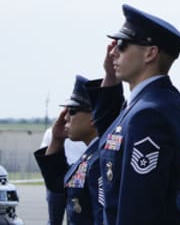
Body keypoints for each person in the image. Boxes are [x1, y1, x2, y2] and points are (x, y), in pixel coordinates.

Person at [94, 5, 180, 224]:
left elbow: (139, 206)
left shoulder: (150, 113)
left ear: (150, 53)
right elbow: (108, 137)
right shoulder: (144, 103)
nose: (113, 52)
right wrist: (109, 78)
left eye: (122, 45)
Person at [33, 71, 122, 225]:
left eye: (72, 111)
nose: (66, 117)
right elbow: (57, 184)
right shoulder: (90, 157)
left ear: (93, 117)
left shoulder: (99, 161)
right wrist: (56, 140)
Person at [38, 120, 86, 225]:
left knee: (73, 215)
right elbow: (45, 158)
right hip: (64, 176)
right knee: (58, 217)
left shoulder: (80, 133)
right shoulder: (51, 132)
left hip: (76, 176)